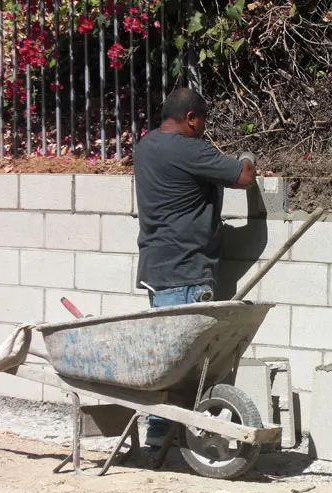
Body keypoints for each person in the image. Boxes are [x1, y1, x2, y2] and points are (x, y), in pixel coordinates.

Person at [133, 87, 257, 446]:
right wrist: (247, 157)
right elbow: (243, 177)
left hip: (157, 270)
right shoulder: (191, 149)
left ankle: (160, 436)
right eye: (202, 120)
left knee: (168, 360)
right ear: (191, 118)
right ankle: (165, 434)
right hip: (187, 271)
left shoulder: (145, 146)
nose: (204, 127)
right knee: (186, 366)